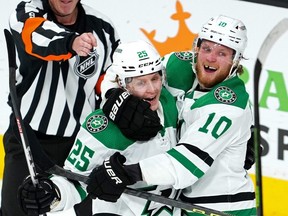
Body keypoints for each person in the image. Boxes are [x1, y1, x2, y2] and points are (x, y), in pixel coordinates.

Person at [86, 15, 257, 216]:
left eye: (222, 53)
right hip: (182, 206)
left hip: (223, 210)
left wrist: (126, 173)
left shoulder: (229, 105)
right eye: (207, 48)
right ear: (197, 47)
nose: (210, 58)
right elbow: (121, 72)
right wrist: (114, 96)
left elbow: (184, 165)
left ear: (235, 61)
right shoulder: (178, 64)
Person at [17, 40, 179, 216]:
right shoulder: (102, 128)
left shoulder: (169, 101)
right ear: (123, 84)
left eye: (155, 78)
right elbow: (76, 180)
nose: (152, 90)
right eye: (141, 83)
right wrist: (53, 192)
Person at [1, 0, 121, 215]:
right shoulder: (26, 13)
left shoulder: (104, 28)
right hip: (29, 138)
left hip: (80, 147)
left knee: (87, 211)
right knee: (15, 210)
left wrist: (119, 101)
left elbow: (109, 80)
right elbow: (36, 38)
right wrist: (71, 42)